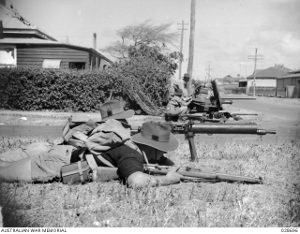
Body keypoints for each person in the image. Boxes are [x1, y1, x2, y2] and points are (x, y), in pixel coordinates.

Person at [0, 103, 182, 188]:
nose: (163, 155)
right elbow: (136, 181)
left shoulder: (129, 141)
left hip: (65, 152)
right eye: (162, 151)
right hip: (56, 161)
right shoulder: (130, 155)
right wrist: (168, 179)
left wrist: (173, 167)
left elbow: (160, 161)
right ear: (151, 147)